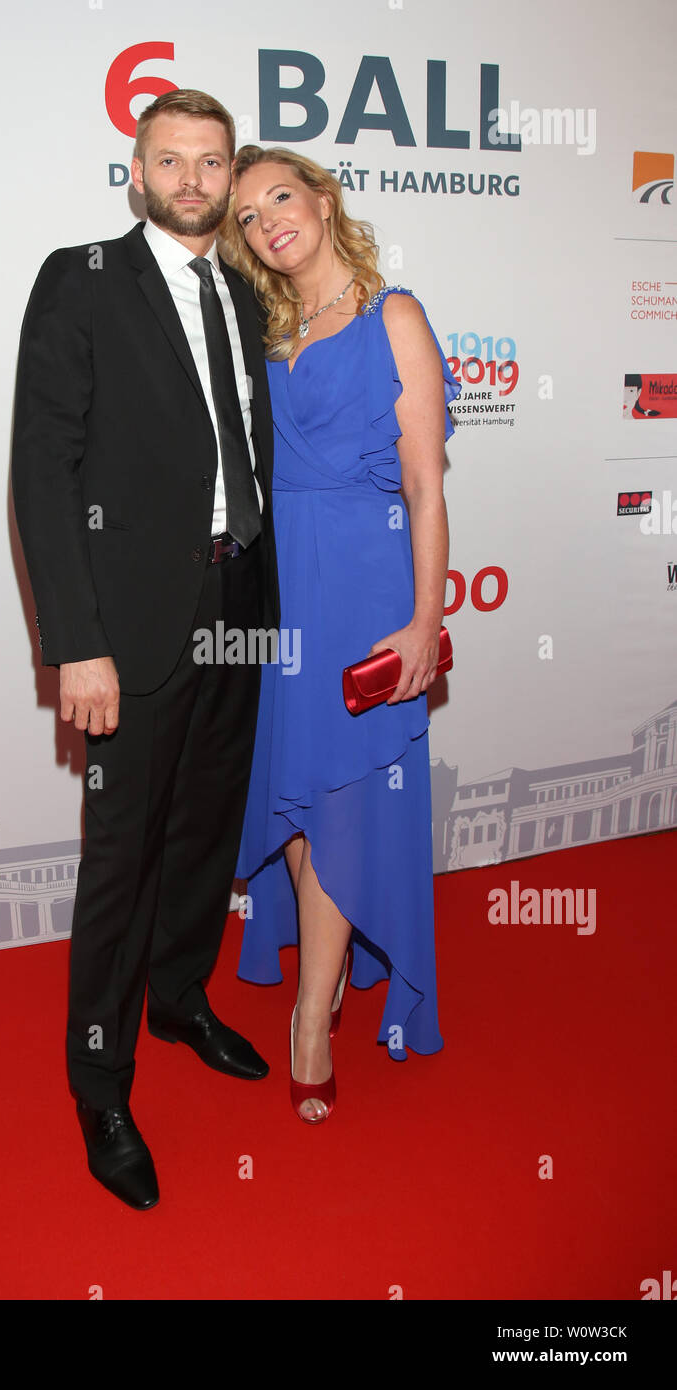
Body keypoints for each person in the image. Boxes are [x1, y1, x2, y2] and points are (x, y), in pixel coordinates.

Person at [10, 92, 280, 1209]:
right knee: (120, 860)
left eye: (209, 161)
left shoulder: (243, 295)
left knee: (206, 823)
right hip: (128, 626)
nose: (189, 177)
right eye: (168, 159)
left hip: (239, 599)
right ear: (135, 168)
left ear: (227, 174)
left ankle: (179, 998)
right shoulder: (79, 279)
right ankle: (100, 1082)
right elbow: (41, 469)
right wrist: (75, 647)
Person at [221, 145, 460, 1123]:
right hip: (281, 596)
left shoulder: (389, 316)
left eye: (279, 195)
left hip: (362, 589)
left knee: (335, 806)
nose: (266, 219)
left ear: (321, 198)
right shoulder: (266, 330)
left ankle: (309, 1019)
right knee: (292, 799)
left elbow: (423, 484)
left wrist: (423, 617)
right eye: (244, 215)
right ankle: (316, 988)